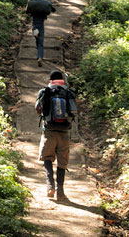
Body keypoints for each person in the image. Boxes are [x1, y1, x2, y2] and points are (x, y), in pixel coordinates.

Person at [36, 69, 77, 201]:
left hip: (49, 131)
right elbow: (73, 111)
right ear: (63, 80)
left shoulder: (45, 91)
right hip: (64, 132)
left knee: (47, 158)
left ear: (50, 80)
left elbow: (37, 108)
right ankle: (60, 191)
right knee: (62, 162)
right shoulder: (68, 93)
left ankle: (50, 186)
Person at [25, 0, 55, 67]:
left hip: (34, 28)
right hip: (41, 28)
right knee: (40, 44)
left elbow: (28, 11)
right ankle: (40, 57)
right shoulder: (43, 14)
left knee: (37, 41)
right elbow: (48, 13)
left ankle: (38, 57)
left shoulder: (34, 13)